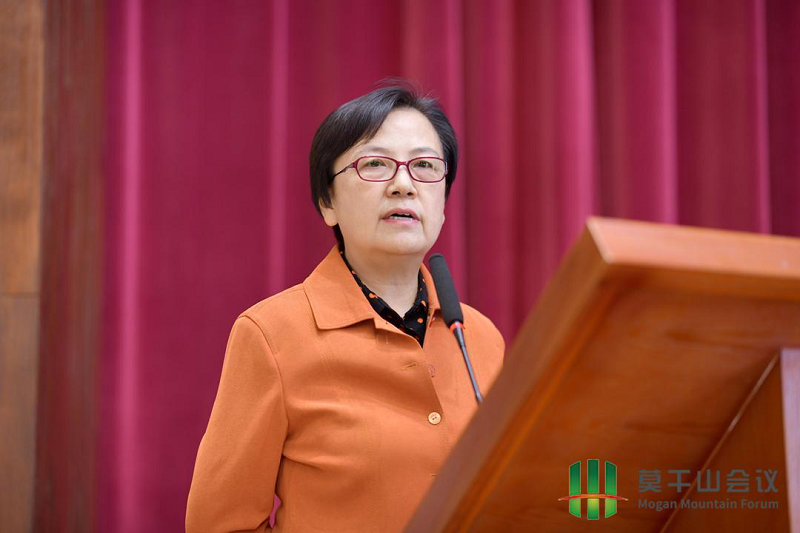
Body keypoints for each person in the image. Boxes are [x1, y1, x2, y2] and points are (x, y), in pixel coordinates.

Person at [186, 82, 505, 532]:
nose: (403, 185)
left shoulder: (478, 337)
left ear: (444, 203)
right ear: (327, 203)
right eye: (375, 164)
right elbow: (219, 524)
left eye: (425, 166)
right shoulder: (273, 335)